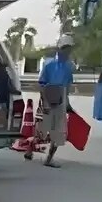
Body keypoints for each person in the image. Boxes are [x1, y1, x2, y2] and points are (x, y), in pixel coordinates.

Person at [32, 34, 76, 167]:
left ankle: (49, 159)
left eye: (69, 48)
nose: (67, 51)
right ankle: (29, 149)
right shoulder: (49, 64)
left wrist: (67, 104)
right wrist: (44, 101)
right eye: (64, 48)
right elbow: (41, 84)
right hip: (48, 97)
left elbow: (67, 86)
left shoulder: (69, 67)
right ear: (59, 48)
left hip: (61, 100)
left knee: (58, 132)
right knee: (41, 129)